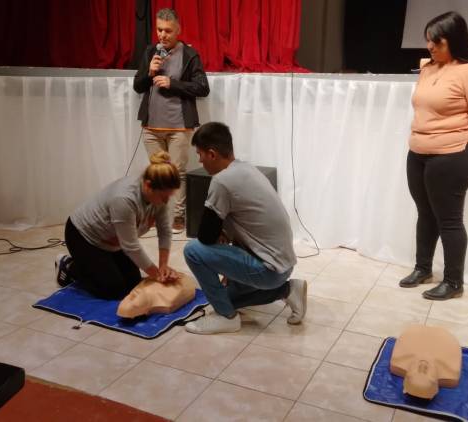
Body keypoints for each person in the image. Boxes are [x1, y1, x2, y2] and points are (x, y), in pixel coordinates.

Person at [399, 11, 468, 300]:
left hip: (453, 156)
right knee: (425, 213)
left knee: (449, 220)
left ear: (453, 41)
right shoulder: (429, 68)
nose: (430, 47)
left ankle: (454, 282)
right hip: (418, 153)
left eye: (437, 42)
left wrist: (467, 142)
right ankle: (423, 268)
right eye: (428, 41)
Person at [182, 122, 307, 334]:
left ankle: (226, 318)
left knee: (193, 251)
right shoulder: (246, 168)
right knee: (225, 297)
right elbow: (244, 226)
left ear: (212, 154)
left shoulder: (222, 181)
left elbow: (205, 236)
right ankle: (288, 289)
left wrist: (220, 244)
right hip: (283, 265)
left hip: (269, 270)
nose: (200, 161)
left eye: (200, 154)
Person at [56, 151, 181, 300]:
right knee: (113, 289)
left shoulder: (159, 191)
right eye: (164, 196)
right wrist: (157, 275)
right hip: (83, 237)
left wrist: (163, 266)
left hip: (114, 242)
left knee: (133, 283)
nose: (167, 201)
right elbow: (131, 246)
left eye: (169, 196)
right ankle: (70, 266)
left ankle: (94, 265)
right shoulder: (124, 199)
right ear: (148, 186)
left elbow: (165, 231)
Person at [133, 8, 210, 234]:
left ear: (178, 30)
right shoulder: (150, 52)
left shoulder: (189, 55)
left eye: (168, 30)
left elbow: (202, 87)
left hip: (179, 125)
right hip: (151, 127)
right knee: (157, 173)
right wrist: (149, 72)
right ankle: (158, 214)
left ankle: (177, 216)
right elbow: (138, 86)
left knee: (177, 172)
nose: (162, 35)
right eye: (159, 30)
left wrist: (172, 83)